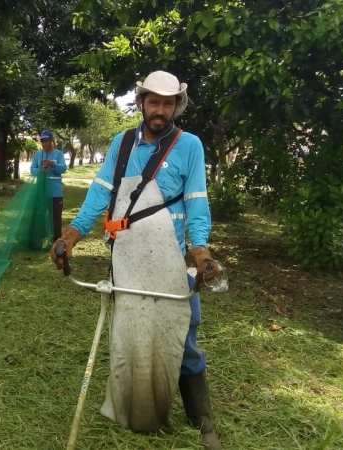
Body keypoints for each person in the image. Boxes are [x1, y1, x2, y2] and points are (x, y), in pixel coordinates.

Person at [49, 71, 222, 449]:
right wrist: (71, 235)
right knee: (131, 335)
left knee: (183, 335)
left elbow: (196, 201)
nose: (160, 110)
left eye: (168, 102)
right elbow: (100, 192)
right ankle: (135, 408)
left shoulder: (189, 145)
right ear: (142, 102)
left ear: (177, 105)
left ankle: (202, 419)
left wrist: (200, 249)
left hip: (172, 260)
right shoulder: (122, 143)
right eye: (153, 101)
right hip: (127, 258)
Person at [30, 130, 68, 240]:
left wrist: (53, 164)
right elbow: (32, 170)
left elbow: (63, 168)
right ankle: (39, 239)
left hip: (56, 192)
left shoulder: (58, 154)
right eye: (42, 141)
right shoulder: (38, 154)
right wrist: (40, 170)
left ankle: (56, 240)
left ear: (51, 140)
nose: (44, 143)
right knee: (40, 215)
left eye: (46, 140)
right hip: (41, 191)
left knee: (56, 217)